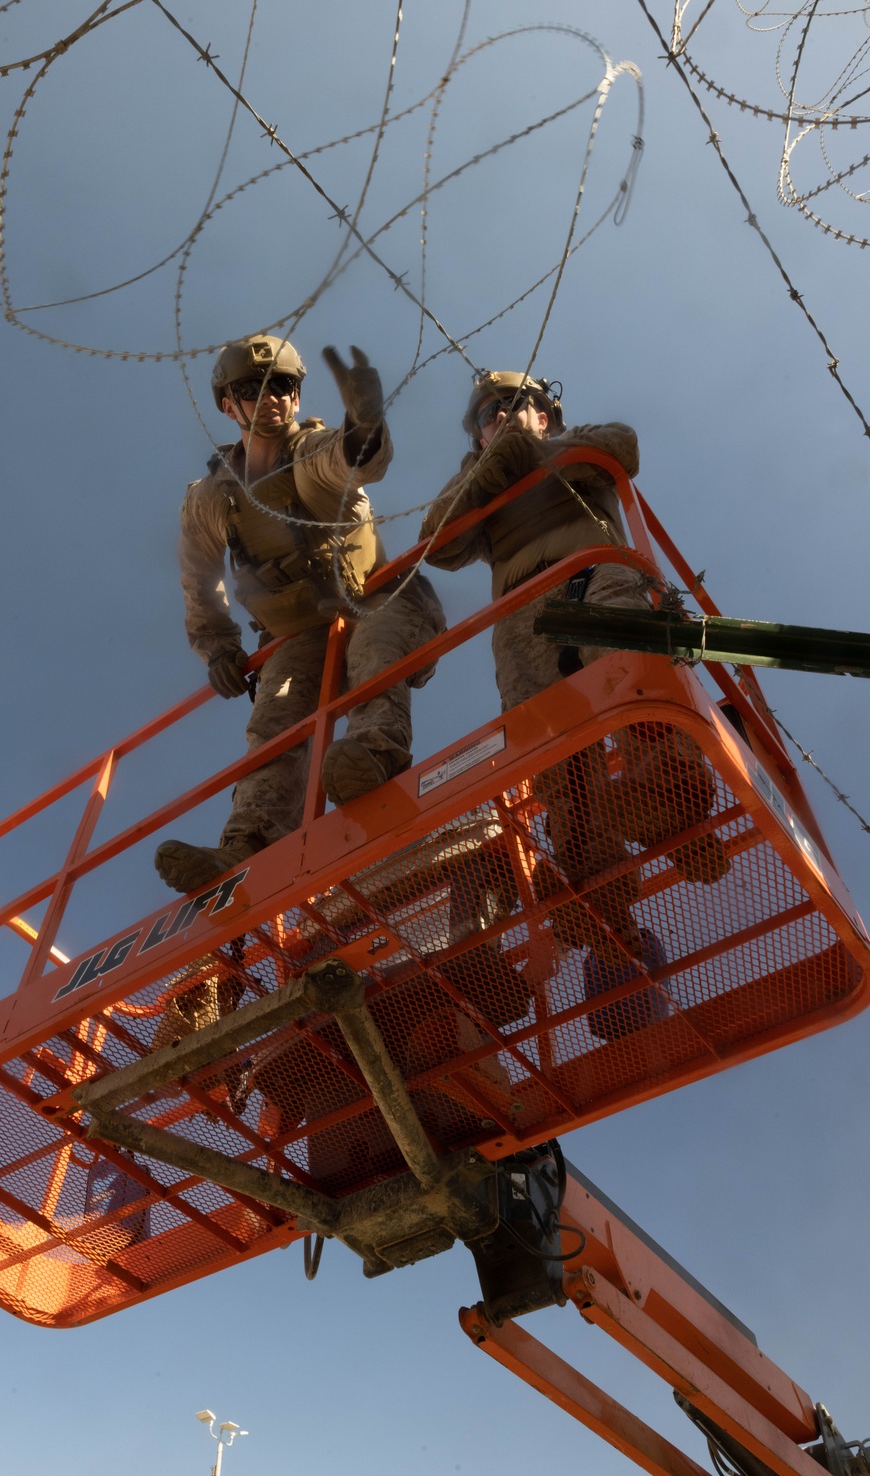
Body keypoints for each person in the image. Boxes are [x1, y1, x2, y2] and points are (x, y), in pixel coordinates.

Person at [419, 371, 728, 1020]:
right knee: (549, 740)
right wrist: (490, 470)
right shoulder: (481, 480)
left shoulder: (574, 445)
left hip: (591, 571)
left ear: (547, 413)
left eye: (514, 406)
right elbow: (440, 544)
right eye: (488, 413)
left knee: (625, 665)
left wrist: (533, 452)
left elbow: (623, 449)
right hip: (520, 616)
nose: (500, 417)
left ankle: (669, 787)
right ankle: (596, 888)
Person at [154, 335, 445, 896]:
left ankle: (372, 760)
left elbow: (346, 461)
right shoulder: (212, 499)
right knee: (276, 712)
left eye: (283, 385)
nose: (270, 398)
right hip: (299, 631)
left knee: (373, 648)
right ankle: (244, 849)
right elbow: (199, 577)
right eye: (251, 388)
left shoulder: (310, 453)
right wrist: (216, 645)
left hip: (379, 600)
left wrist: (363, 425)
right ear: (226, 403)